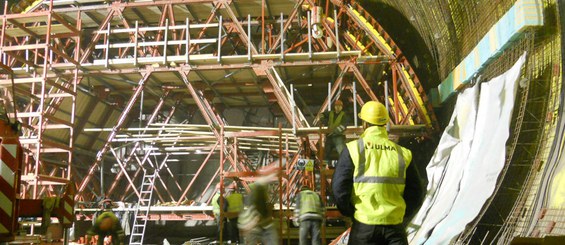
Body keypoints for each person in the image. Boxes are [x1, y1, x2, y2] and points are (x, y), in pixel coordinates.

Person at [332, 101, 424, 245]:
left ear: (364, 124)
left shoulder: (353, 150)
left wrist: (352, 213)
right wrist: (399, 215)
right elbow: (416, 192)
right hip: (395, 230)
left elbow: (339, 190)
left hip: (364, 228)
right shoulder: (403, 154)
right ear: (385, 124)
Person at [238, 174, 279, 245]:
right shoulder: (258, 194)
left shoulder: (256, 194)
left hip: (254, 224)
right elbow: (255, 209)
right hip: (252, 224)